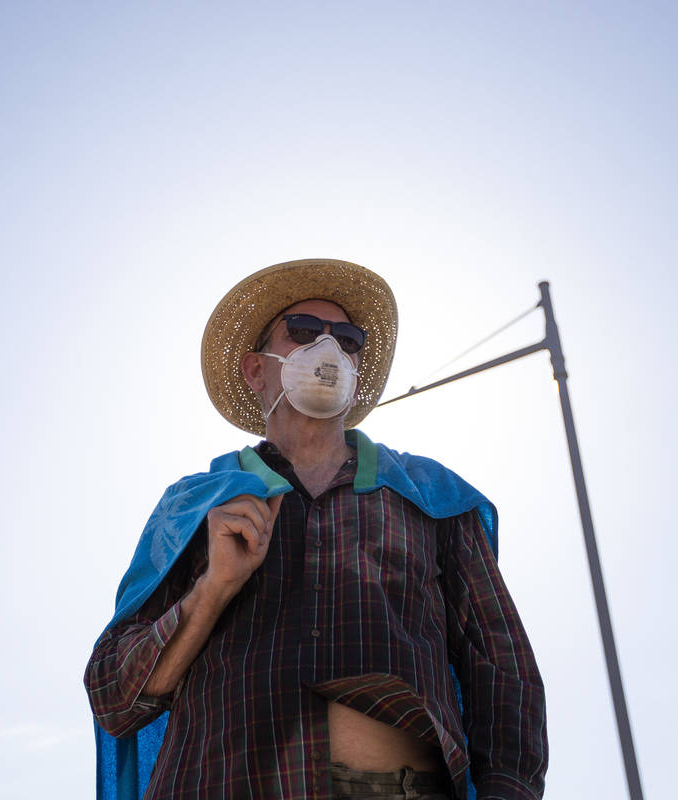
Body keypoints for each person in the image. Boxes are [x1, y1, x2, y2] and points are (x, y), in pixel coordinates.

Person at [85, 259, 547, 800]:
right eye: (303, 331)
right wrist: (211, 591)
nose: (328, 349)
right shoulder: (195, 505)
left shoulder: (433, 497)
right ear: (257, 370)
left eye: (347, 339)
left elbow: (502, 667)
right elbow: (116, 696)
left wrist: (507, 790)